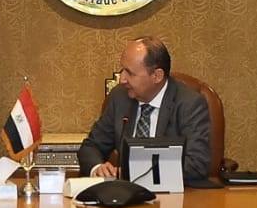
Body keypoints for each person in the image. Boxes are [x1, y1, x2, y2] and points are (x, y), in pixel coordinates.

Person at [78, 36, 212, 180]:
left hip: (172, 192)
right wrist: (98, 168)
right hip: (124, 192)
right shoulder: (120, 97)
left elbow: (197, 164)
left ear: (157, 76)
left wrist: (134, 172)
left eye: (130, 73)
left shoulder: (189, 104)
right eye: (122, 70)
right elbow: (91, 147)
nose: (122, 79)